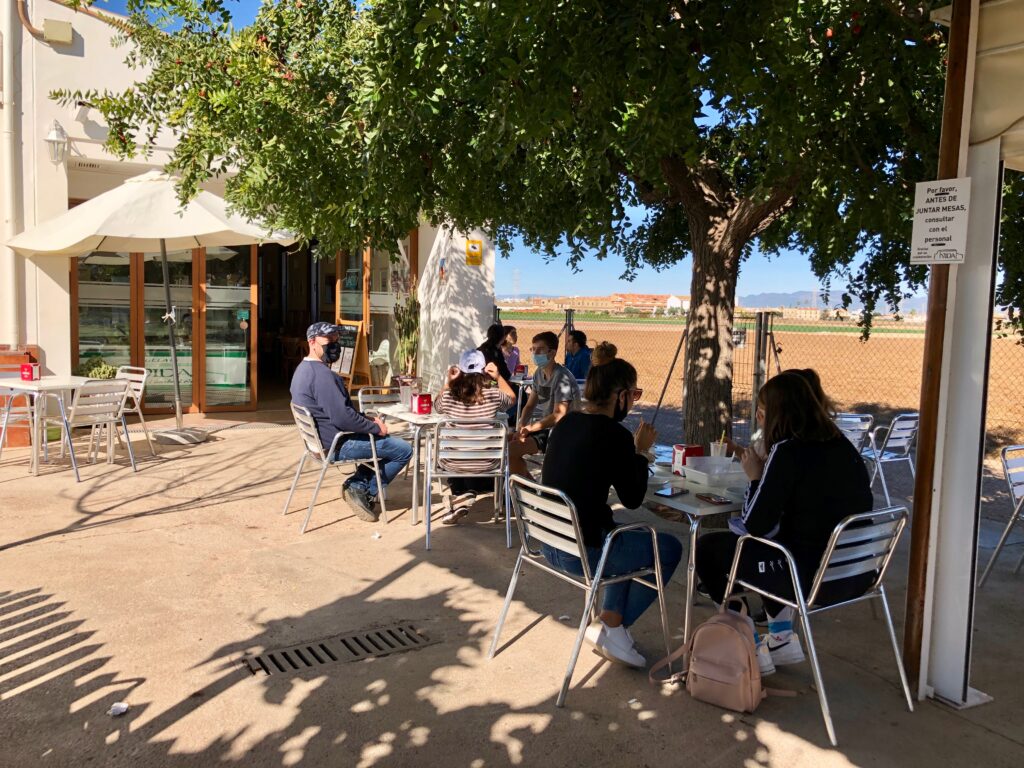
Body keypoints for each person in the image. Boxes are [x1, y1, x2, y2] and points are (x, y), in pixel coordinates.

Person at [694, 372, 874, 676]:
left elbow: (755, 526)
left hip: (807, 579)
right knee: (771, 547)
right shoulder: (842, 445)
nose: (760, 419)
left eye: (762, 412)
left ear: (774, 414)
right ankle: (779, 637)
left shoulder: (788, 450)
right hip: (855, 574)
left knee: (711, 549)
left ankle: (747, 640)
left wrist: (755, 477)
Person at [540, 358, 683, 668]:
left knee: (624, 536)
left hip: (548, 540)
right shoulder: (614, 435)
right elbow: (632, 498)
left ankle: (610, 620)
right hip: (582, 550)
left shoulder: (567, 423)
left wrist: (629, 453)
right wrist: (640, 452)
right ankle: (611, 627)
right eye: (634, 394)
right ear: (620, 395)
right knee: (668, 548)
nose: (634, 402)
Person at [289, 322, 413, 522]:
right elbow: (343, 418)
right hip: (337, 444)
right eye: (329, 341)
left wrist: (366, 420)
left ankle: (359, 483)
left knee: (385, 442)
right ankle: (359, 487)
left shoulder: (302, 370)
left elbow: (339, 413)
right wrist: (375, 427)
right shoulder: (322, 376)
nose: (334, 345)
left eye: (336, 340)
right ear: (312, 342)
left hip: (319, 444)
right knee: (402, 449)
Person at [433, 350, 515, 524]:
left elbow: (437, 407)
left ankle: (460, 497)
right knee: (475, 452)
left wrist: (448, 382)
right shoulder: (493, 394)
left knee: (455, 450)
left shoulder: (449, 396)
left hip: (452, 462)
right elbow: (512, 399)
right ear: (484, 370)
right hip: (488, 462)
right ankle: (465, 496)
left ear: (460, 370)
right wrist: (499, 377)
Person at [509, 331, 579, 477]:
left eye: (540, 349)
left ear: (552, 353)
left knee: (511, 450)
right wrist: (521, 427)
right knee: (505, 441)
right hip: (545, 428)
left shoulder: (562, 377)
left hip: (562, 431)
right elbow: (529, 406)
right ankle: (527, 487)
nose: (535, 353)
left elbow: (559, 415)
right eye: (533, 349)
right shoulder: (538, 374)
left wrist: (529, 428)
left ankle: (526, 489)